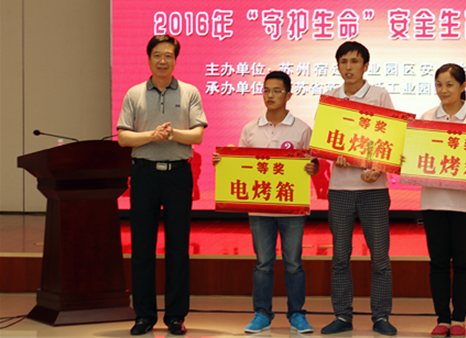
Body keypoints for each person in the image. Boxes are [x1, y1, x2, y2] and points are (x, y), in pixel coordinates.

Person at [212, 71, 319, 334]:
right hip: (259, 208)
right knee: (263, 263)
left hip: (291, 208)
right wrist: (224, 162)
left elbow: (313, 164)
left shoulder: (302, 129)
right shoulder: (251, 128)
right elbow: (241, 165)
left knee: (293, 263)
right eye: (266, 90)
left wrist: (313, 168)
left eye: (276, 90)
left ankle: (297, 314)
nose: (270, 95)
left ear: (288, 95)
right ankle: (261, 313)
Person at [117, 35, 208, 336]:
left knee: (178, 247)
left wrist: (171, 134)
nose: (162, 61)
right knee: (142, 247)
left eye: (168, 55)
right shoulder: (134, 94)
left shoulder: (189, 92)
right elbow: (123, 138)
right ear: (148, 59)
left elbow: (197, 136)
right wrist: (151, 136)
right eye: (157, 55)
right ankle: (144, 316)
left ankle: (176, 317)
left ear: (175, 60)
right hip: (144, 175)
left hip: (178, 175)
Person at [410, 63, 466, 338]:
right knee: (438, 262)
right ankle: (442, 318)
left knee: (463, 262)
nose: (443, 90)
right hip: (433, 202)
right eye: (439, 84)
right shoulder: (427, 118)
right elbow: (417, 155)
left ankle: (459, 319)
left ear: (463, 86)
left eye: (449, 84)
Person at [320, 41, 397, 336]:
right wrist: (333, 154)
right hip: (340, 188)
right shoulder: (331, 98)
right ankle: (342, 316)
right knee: (340, 256)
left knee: (380, 257)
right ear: (338, 66)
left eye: (354, 61)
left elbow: (392, 138)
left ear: (366, 66)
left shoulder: (379, 95)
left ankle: (381, 316)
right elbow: (324, 140)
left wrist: (379, 168)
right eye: (344, 61)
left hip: (373, 189)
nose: (349, 67)